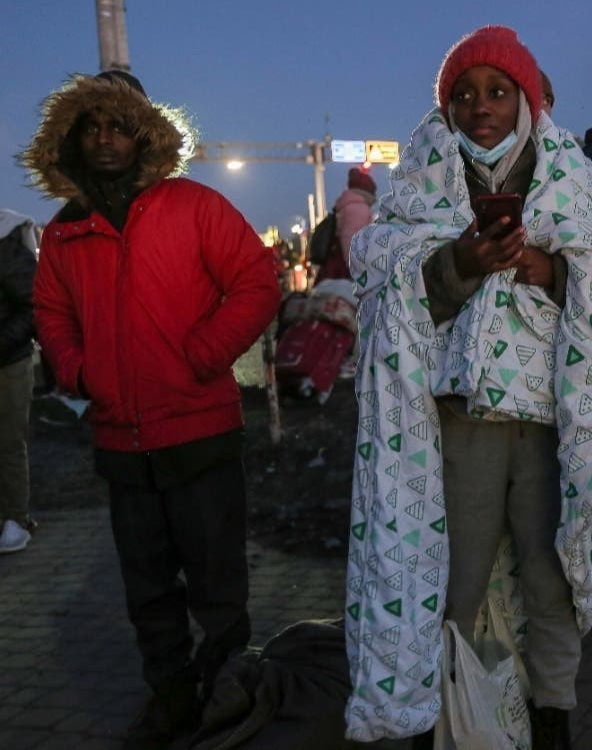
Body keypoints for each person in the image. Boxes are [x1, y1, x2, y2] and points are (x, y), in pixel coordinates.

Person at [342, 25, 592, 749]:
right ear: (445, 108)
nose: (481, 107)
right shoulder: (422, 182)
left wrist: (554, 271)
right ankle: (449, 711)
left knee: (550, 571)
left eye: (498, 90)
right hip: (462, 419)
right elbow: (382, 284)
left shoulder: (572, 179)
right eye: (463, 94)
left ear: (527, 100)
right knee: (456, 576)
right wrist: (459, 263)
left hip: (550, 420)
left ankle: (553, 709)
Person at [22, 70, 280, 750]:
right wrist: (80, 370)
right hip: (120, 439)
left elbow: (255, 280)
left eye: (118, 124)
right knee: (149, 591)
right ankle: (169, 700)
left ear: (144, 135)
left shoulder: (193, 205)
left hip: (200, 429)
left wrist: (205, 352)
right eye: (91, 126)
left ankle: (228, 701)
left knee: (218, 585)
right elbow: (49, 309)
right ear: (71, 138)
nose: (105, 138)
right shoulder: (65, 233)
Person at [0, 208, 38, 554]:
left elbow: (33, 305)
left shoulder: (6, 238)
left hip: (8, 363)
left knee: (9, 442)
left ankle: (14, 520)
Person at [309, 165, 377, 283]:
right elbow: (351, 241)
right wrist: (359, 272)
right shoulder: (358, 208)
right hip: (344, 272)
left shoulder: (348, 205)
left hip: (337, 268)